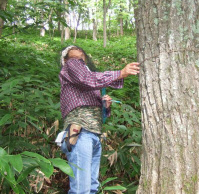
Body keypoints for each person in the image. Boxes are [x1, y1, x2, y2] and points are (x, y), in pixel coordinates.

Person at [57, 45, 139, 194]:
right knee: (81, 189)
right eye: (72, 49)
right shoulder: (72, 64)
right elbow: (86, 80)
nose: (79, 50)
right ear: (65, 58)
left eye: (81, 49)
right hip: (80, 132)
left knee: (91, 187)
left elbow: (100, 115)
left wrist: (104, 106)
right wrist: (120, 73)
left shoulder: (86, 73)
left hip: (93, 134)